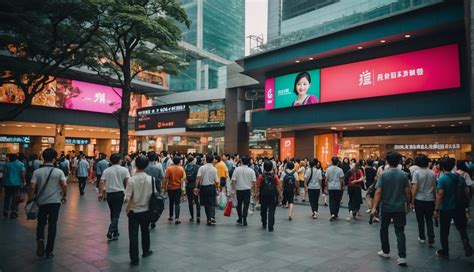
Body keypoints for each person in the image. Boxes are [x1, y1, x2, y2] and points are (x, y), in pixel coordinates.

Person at [371, 151, 411, 266]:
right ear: (399, 161)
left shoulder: (383, 174)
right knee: (400, 231)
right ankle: (402, 257)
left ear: (387, 161)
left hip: (386, 207)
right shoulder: (403, 174)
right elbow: (407, 191)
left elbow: (378, 191)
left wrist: (374, 207)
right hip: (399, 207)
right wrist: (408, 204)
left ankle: (386, 251)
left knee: (384, 229)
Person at [28, 148, 67, 259]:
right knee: (52, 225)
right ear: (54, 159)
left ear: (43, 158)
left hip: (41, 202)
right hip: (55, 202)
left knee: (41, 223)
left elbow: (31, 186)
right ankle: (49, 250)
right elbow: (64, 185)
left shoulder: (37, 172)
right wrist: (64, 195)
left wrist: (30, 199)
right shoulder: (58, 172)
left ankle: (40, 238)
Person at [433, 158, 472, 258]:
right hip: (459, 207)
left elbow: (440, 194)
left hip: (446, 208)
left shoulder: (442, 179)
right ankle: (465, 241)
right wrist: (466, 203)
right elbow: (467, 191)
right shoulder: (459, 177)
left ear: (442, 167)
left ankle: (444, 251)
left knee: (444, 231)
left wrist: (436, 209)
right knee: (461, 228)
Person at [125, 156, 153, 265]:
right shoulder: (151, 179)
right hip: (146, 210)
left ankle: (134, 258)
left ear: (135, 165)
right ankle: (146, 251)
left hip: (133, 211)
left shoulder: (132, 180)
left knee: (133, 235)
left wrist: (127, 207)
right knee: (145, 231)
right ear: (146, 166)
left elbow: (127, 197)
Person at [99, 153, 130, 241]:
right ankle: (110, 230)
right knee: (116, 214)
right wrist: (127, 194)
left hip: (110, 194)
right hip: (119, 194)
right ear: (120, 160)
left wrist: (100, 193)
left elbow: (101, 182)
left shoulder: (107, 171)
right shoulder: (124, 170)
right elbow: (127, 183)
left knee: (113, 212)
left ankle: (115, 232)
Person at [410, 154, 436, 247]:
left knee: (420, 219)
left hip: (419, 199)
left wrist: (412, 201)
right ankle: (431, 236)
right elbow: (434, 188)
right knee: (429, 219)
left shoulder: (416, 173)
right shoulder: (432, 173)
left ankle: (422, 237)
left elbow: (414, 188)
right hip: (430, 199)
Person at [255, 161, 281, 232]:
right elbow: (278, 186)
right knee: (272, 211)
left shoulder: (261, 176)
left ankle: (264, 222)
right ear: (272, 167)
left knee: (263, 210)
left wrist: (256, 194)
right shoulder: (275, 176)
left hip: (263, 195)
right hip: (272, 195)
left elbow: (258, 186)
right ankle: (270, 227)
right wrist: (279, 195)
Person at [231, 156, 257, 226]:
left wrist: (233, 189)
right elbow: (254, 182)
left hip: (239, 190)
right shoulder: (251, 171)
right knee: (246, 205)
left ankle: (240, 218)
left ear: (241, 162)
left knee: (238, 205)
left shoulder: (237, 169)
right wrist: (254, 191)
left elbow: (233, 180)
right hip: (247, 190)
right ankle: (244, 219)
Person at [195, 154, 218, 226]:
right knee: (212, 203)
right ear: (212, 160)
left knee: (206, 204)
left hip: (203, 188)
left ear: (206, 159)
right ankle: (212, 217)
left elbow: (198, 178)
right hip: (211, 187)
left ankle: (208, 219)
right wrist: (217, 187)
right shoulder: (214, 169)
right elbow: (217, 181)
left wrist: (196, 187)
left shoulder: (201, 168)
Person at [163, 157, 186, 224]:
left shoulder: (169, 168)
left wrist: (165, 187)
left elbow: (166, 179)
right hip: (178, 188)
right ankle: (177, 218)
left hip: (170, 188)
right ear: (179, 162)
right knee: (177, 203)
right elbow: (183, 178)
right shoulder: (181, 169)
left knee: (171, 202)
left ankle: (171, 216)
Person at [3, 153, 26, 219]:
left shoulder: (7, 164)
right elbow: (23, 174)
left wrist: (3, 183)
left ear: (9, 158)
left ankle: (6, 211)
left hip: (7, 184)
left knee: (7, 197)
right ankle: (14, 212)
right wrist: (23, 182)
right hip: (17, 184)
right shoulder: (21, 164)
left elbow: (4, 174)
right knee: (15, 198)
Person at [326, 157, 344, 221]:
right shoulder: (340, 170)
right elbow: (341, 180)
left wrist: (326, 186)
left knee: (331, 201)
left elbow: (326, 179)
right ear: (338, 162)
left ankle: (332, 214)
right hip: (338, 187)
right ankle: (336, 214)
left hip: (330, 187)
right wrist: (342, 187)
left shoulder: (328, 169)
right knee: (337, 201)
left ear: (332, 162)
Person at [184, 156, 201, 223]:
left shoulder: (185, 167)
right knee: (197, 201)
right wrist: (198, 186)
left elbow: (184, 177)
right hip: (195, 186)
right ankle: (198, 216)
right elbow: (198, 177)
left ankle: (192, 216)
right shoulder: (197, 167)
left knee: (190, 201)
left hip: (189, 186)